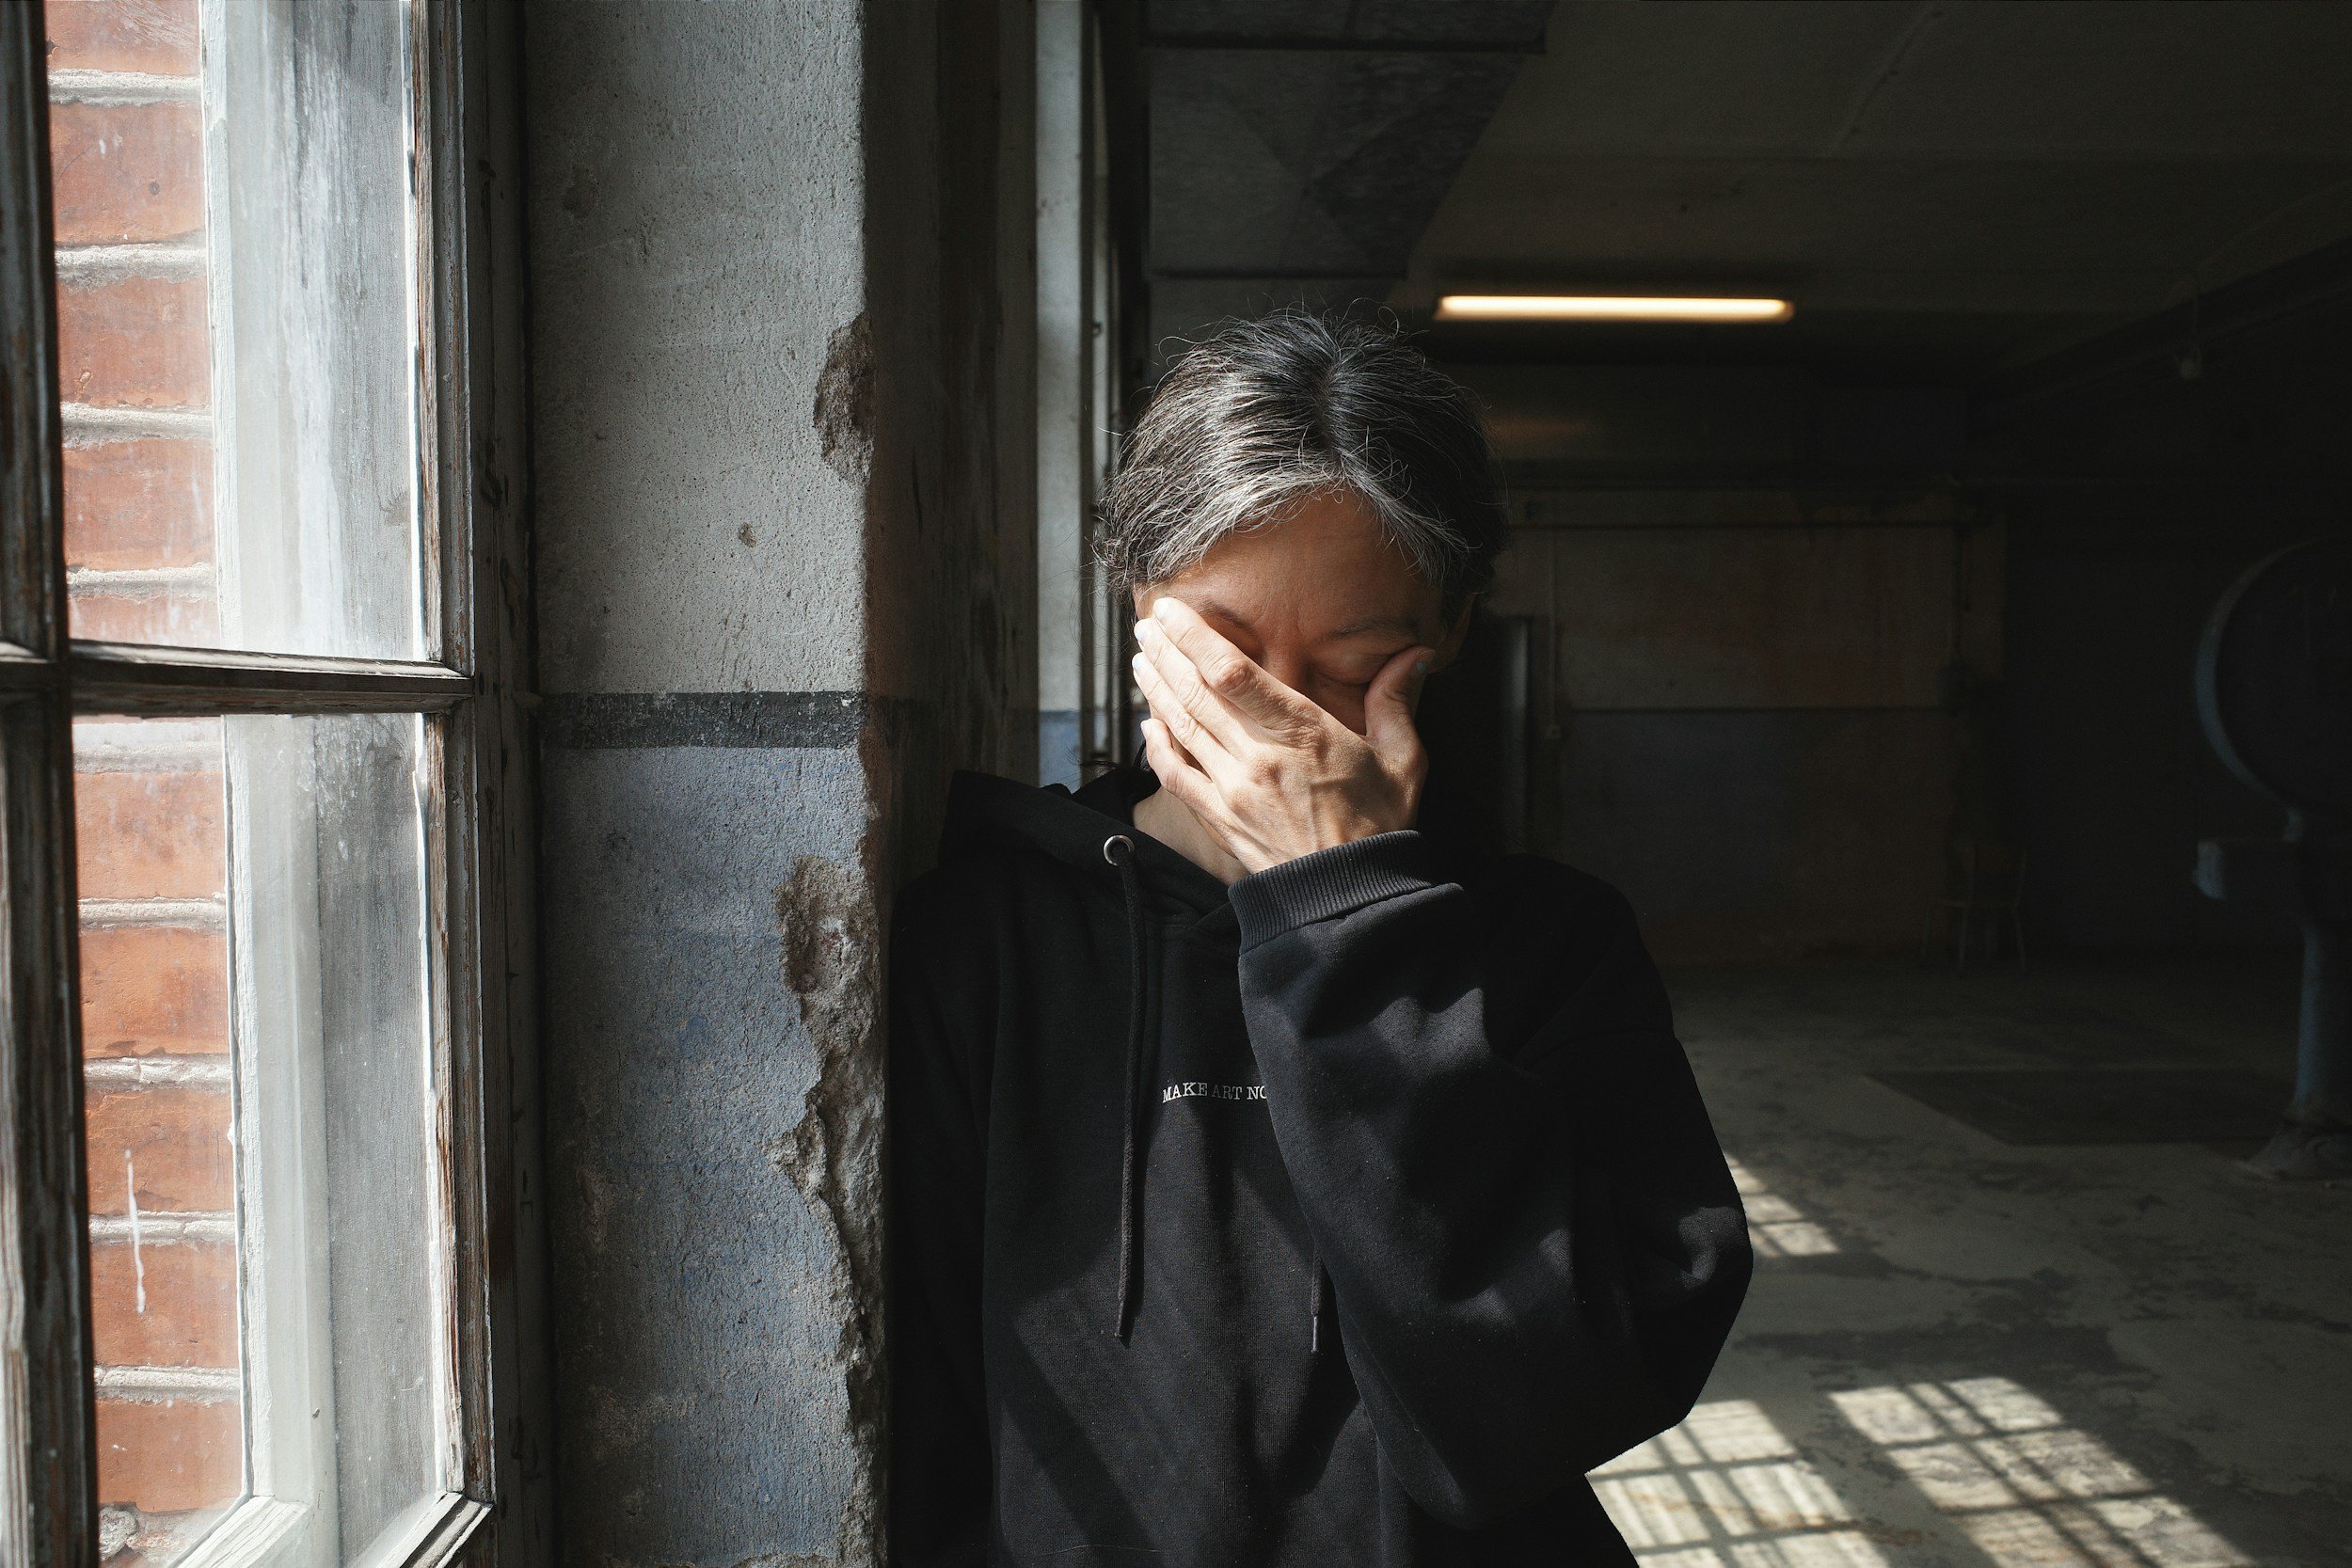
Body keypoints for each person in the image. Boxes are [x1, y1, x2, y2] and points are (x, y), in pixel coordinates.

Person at [887, 312, 1751, 1567]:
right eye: (1223, 654)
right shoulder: (989, 944)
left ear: (1448, 630)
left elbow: (1527, 1420)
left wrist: (1341, 917)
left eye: (1350, 667)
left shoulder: (1546, 948)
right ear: (1137, 597)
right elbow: (919, 1424)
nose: (1274, 724)